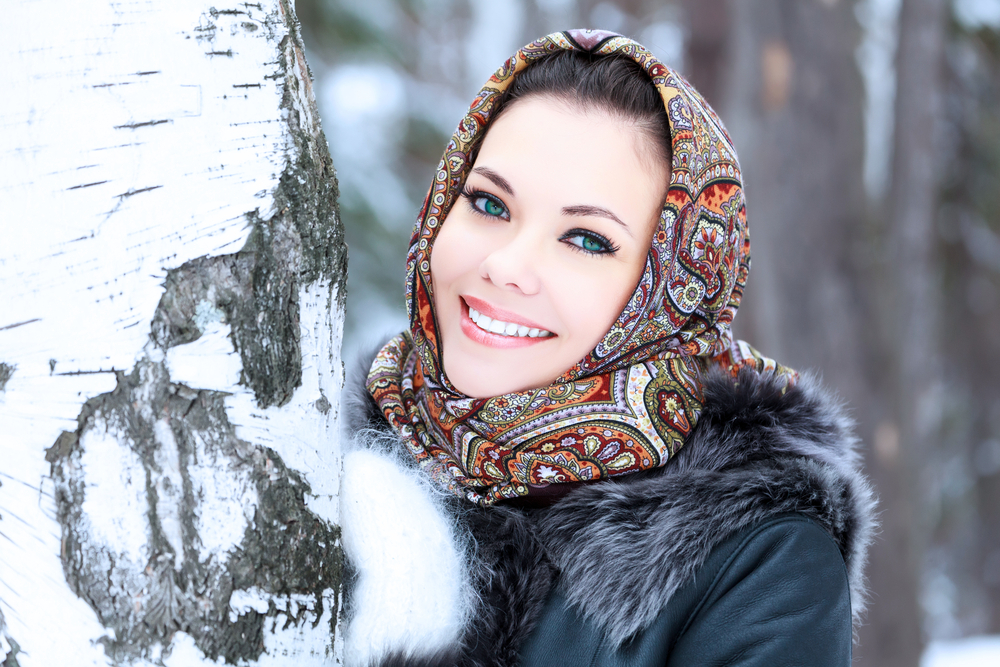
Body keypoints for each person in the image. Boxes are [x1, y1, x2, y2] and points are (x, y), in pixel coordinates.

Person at [339, 29, 876, 667]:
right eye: (488, 203)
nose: (507, 265)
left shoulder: (760, 554)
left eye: (586, 240)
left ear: (672, 286)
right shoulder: (325, 449)